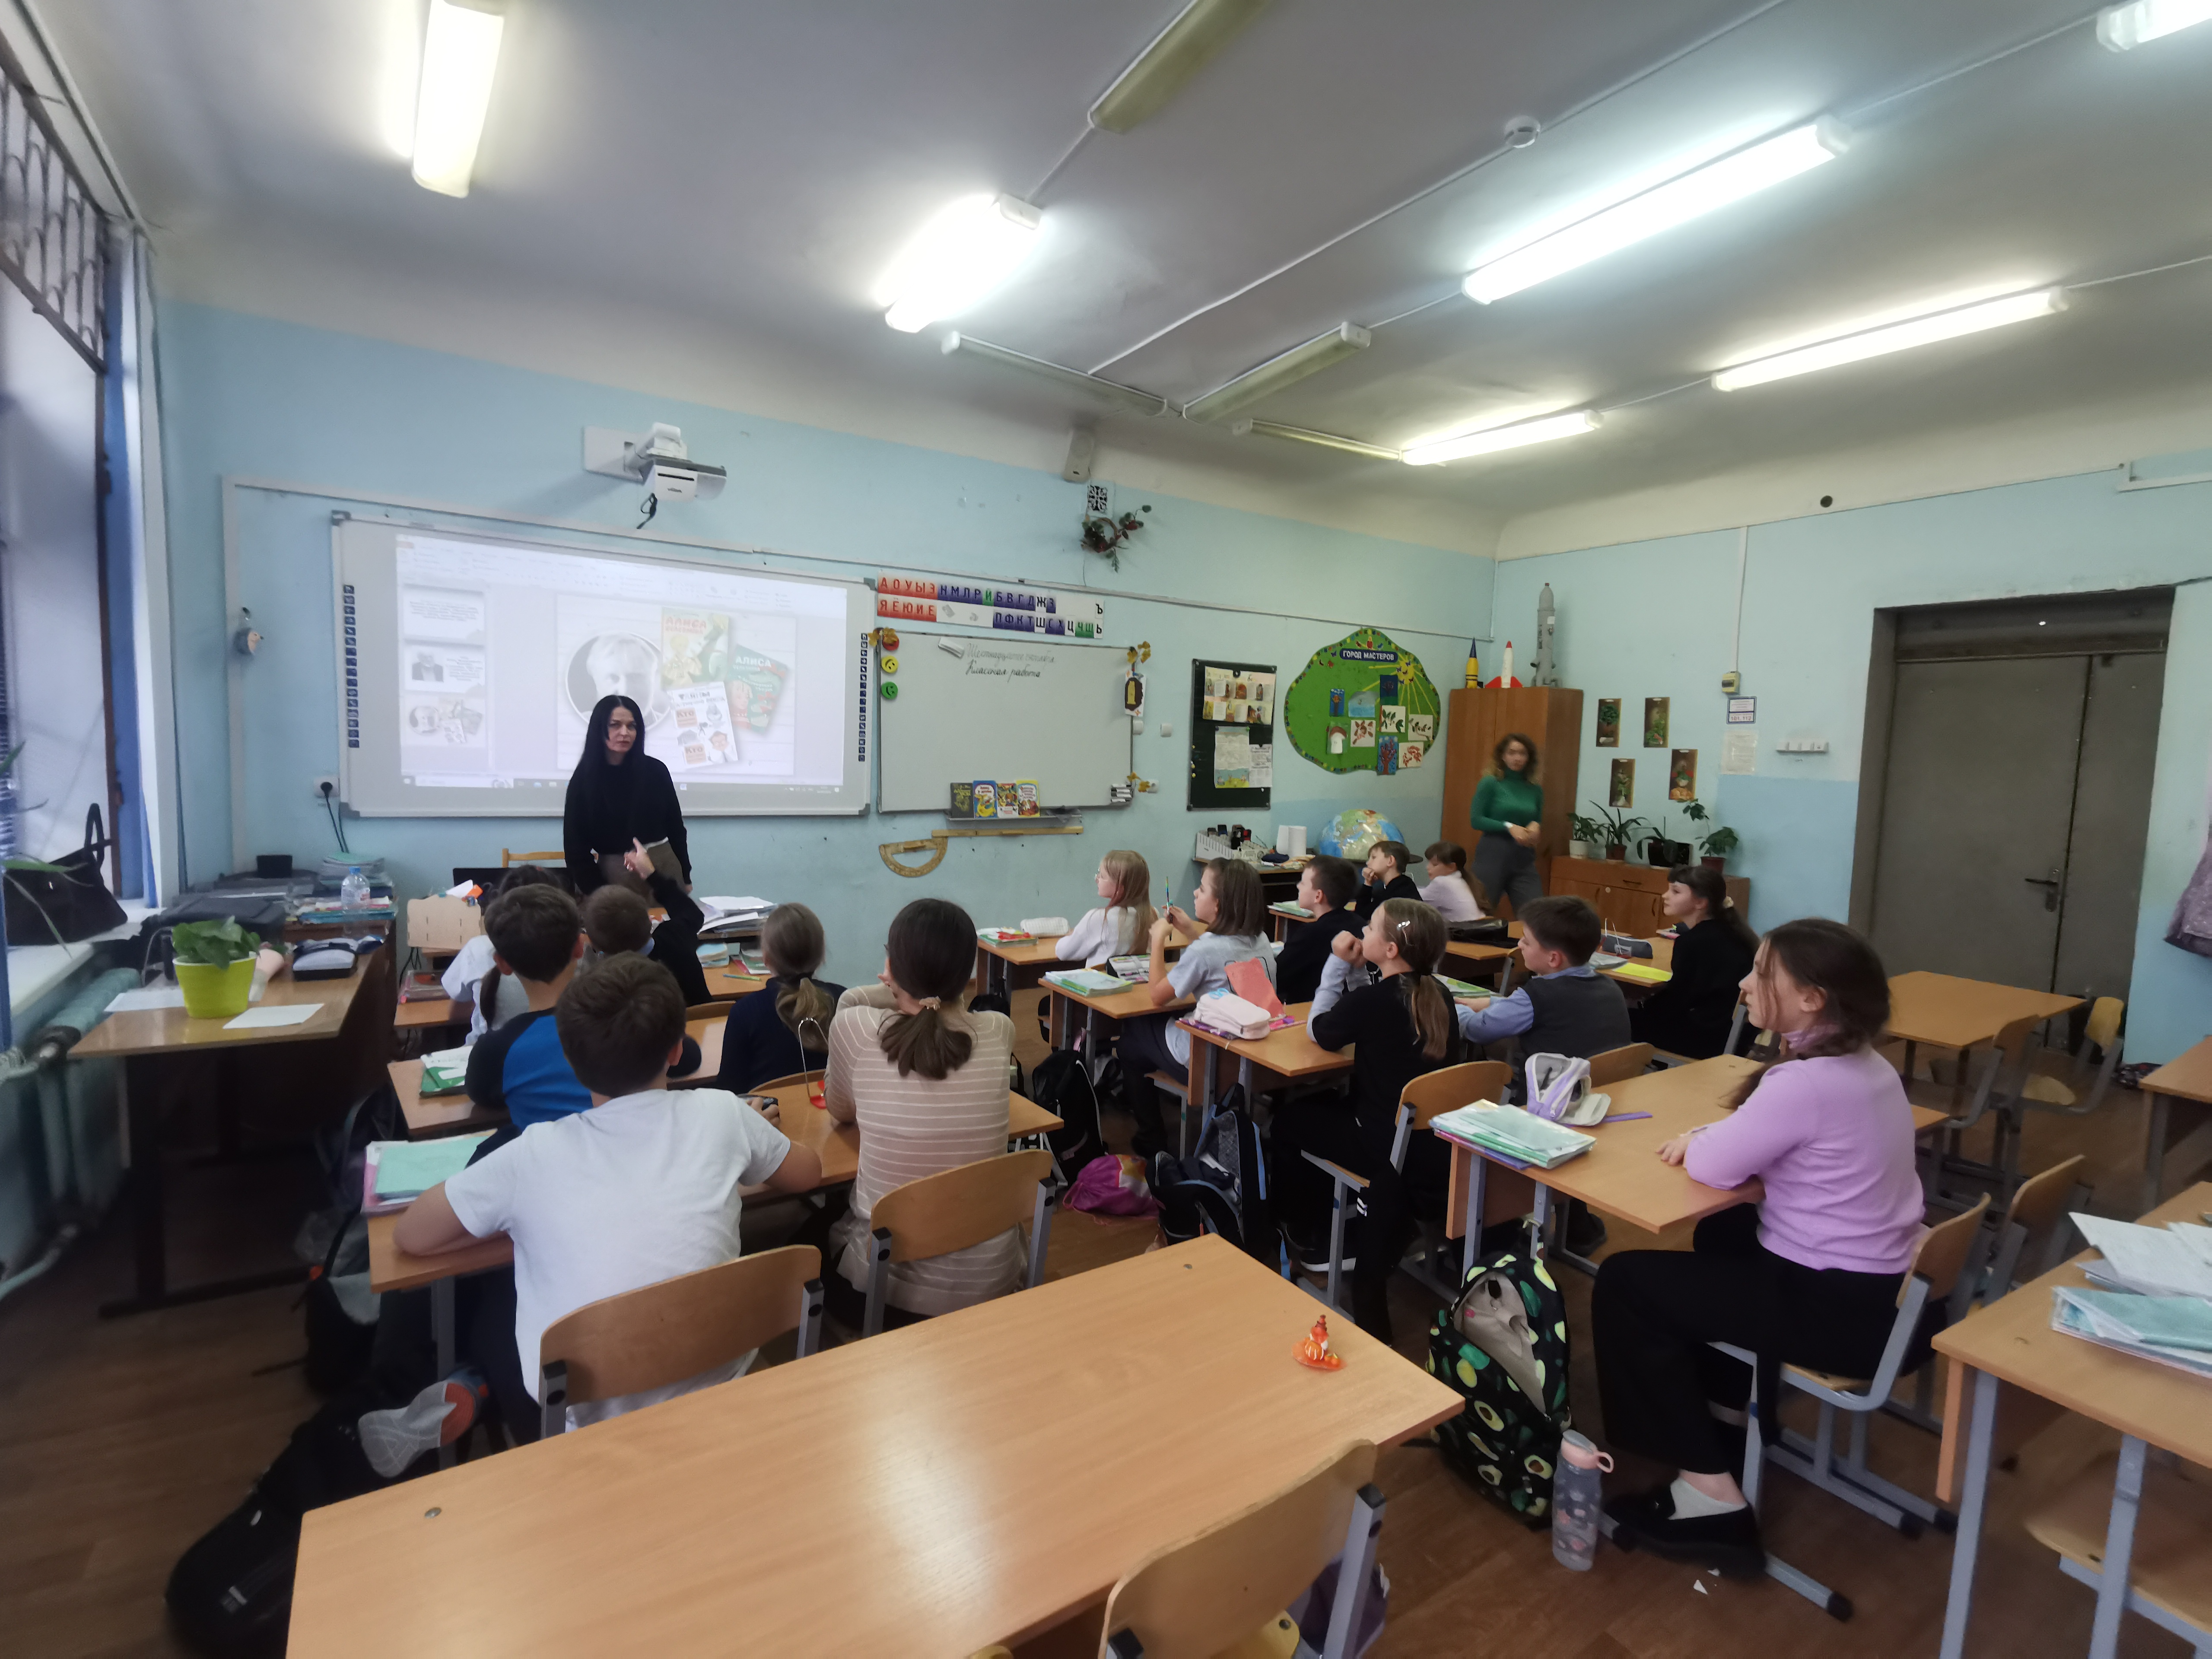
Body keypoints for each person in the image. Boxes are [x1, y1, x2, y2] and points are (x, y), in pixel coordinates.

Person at [1592, 919, 1928, 1578]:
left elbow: (1714, 1165)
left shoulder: (1802, 1084)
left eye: (1763, 975)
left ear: (1812, 999)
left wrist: (1700, 1140)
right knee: (1722, 1232)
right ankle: (1728, 1414)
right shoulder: (1871, 1067)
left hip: (1834, 1309)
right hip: (1888, 1296)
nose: (1745, 985)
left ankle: (1710, 1497)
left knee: (1626, 1282)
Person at [396, 954, 822, 1436]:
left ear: (573, 1063)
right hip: (726, 1380)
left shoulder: (532, 1154)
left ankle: (474, 1389)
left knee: (495, 1321)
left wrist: (518, 1221)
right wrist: (744, 1144)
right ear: (676, 1051)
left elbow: (411, 1235)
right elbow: (807, 1174)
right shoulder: (724, 1113)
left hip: (587, 1424)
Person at [823, 898, 1021, 1328]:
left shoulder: (857, 1029)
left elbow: (839, 1110)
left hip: (886, 1296)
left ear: (891, 967)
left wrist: (894, 987)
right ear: (969, 974)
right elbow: (953, 1014)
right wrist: (920, 989)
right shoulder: (999, 1030)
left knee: (806, 1232)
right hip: (992, 1284)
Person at [1281, 898, 1465, 1341]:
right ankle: (1339, 1224)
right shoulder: (1438, 995)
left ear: (1390, 949)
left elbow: (1320, 1030)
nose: (1362, 932)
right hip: (1432, 1147)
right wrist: (1361, 973)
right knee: (1331, 1104)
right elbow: (1374, 1007)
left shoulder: (1373, 1002)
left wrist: (1334, 966)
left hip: (1384, 1152)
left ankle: (1306, 1233)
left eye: (1370, 929)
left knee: (1289, 1120)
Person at [1455, 893, 1630, 1256]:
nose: (1519, 946)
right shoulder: (1608, 986)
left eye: (1527, 941)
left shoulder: (1537, 994)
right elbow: (1537, 1008)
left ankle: (1499, 1229)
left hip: (1543, 1111)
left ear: (1553, 958)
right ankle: (1576, 1224)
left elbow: (1478, 1030)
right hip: (1594, 1104)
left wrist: (1450, 1006)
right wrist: (1496, 1003)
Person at [470, 887, 700, 1128]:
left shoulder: (495, 1052)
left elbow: (484, 1097)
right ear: (580, 947)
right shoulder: (627, 1020)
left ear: (502, 964)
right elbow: (689, 1058)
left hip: (551, 1152)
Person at [1119, 858, 1276, 1159]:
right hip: (1249, 1057)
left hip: (1206, 1060)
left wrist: (1157, 941)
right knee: (1162, 1023)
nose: (1194, 893)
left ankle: (1152, 1138)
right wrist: (1192, 931)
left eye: (1202, 889)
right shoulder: (1261, 940)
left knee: (1132, 1036)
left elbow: (1157, 995)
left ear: (1218, 904)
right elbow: (1221, 954)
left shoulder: (1204, 950)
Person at [564, 693, 689, 896]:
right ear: (599, 728)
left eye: (632, 726)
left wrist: (686, 875)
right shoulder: (583, 780)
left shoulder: (656, 771)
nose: (625, 733)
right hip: (615, 874)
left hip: (665, 865)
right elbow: (575, 850)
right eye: (615, 725)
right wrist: (599, 892)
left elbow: (676, 828)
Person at [1630, 865, 1760, 1059]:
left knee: (1618, 1018)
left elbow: (1677, 1002)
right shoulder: (1737, 933)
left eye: (1676, 891)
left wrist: (1642, 1003)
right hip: (1736, 1037)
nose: (1665, 896)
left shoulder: (1692, 942)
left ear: (1700, 902)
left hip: (1705, 1040)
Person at [717, 903, 845, 1091]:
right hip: (831, 1109)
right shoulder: (845, 1000)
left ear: (765, 958)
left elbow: (729, 1091)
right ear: (821, 956)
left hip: (770, 1111)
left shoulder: (744, 1013)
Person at [442, 866, 562, 1043]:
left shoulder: (479, 948)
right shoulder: (572, 950)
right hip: (557, 1050)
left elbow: (455, 1012)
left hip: (485, 1051)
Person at [582, 868, 713, 1009]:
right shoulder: (675, 935)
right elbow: (692, 914)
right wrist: (652, 875)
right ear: (650, 921)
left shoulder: (604, 984)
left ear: (593, 944)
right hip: (706, 1020)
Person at [1470, 732, 1544, 919]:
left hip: (1524, 857)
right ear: (1502, 756)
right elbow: (1476, 820)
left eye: (1522, 753)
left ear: (1529, 758)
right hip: (1493, 854)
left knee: (1536, 913)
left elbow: (1537, 818)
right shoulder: (1491, 783)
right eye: (1512, 753)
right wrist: (1509, 827)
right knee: (1482, 913)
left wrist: (1536, 826)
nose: (1517, 758)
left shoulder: (1535, 789)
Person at [1274, 855, 1361, 1005]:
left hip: (1313, 1008)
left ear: (1318, 896)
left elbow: (1276, 977)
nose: (1298, 886)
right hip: (1348, 1005)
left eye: (1303, 883)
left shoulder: (1312, 933)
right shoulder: (1359, 923)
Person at [1055, 849, 1157, 969]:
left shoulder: (1100, 918)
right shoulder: (1152, 914)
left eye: (1103, 876)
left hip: (1104, 979)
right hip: (1142, 978)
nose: (1097, 879)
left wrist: (1071, 935)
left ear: (1120, 888)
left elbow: (1063, 952)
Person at [1419, 841, 1486, 924]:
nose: (1428, 868)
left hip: (1462, 930)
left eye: (1435, 865)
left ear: (1452, 867)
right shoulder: (1463, 881)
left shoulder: (1442, 882)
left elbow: (1416, 902)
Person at [1354, 840, 1420, 918]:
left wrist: (1367, 885)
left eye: (1374, 857)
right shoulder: (1402, 885)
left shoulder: (1398, 892)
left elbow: (1362, 916)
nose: (1368, 863)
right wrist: (1368, 883)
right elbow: (1363, 913)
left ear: (1390, 861)